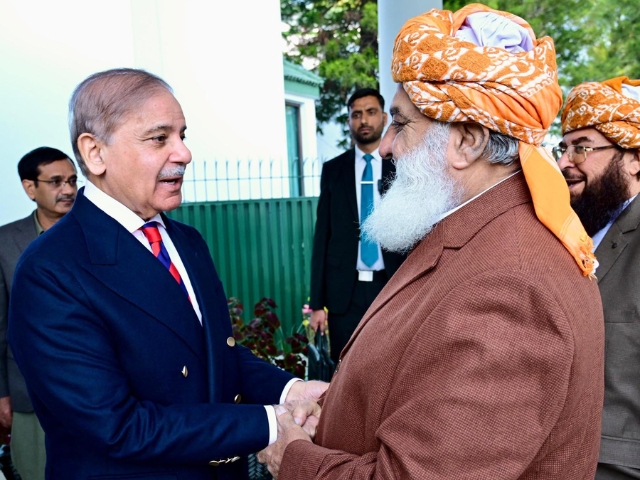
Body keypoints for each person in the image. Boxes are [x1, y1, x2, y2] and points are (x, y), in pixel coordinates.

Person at [258, 5, 605, 479]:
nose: (385, 146)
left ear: (467, 140)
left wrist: (294, 459)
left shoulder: (513, 287)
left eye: (400, 124)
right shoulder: (479, 234)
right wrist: (338, 410)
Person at [7, 68, 326, 480]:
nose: (184, 153)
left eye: (182, 135)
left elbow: (210, 354)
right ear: (95, 153)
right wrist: (271, 422)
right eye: (159, 138)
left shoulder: (187, 241)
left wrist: (292, 390)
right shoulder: (50, 270)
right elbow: (116, 427)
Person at [559, 76, 640, 480]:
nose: (564, 162)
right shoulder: (571, 231)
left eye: (583, 147)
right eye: (564, 147)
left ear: (634, 158)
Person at [309, 88, 405, 364]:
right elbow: (322, 237)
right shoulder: (333, 170)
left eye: (371, 112)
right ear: (349, 120)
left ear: (385, 117)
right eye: (356, 114)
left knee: (390, 364)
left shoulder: (401, 166)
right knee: (346, 369)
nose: (364, 120)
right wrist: (317, 305)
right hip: (344, 297)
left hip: (390, 285)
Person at [0, 146, 77, 480]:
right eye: (56, 181)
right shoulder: (5, 243)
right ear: (30, 187)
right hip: (29, 392)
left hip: (98, 388)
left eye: (73, 181)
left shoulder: (96, 234)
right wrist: (1, 392)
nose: (69, 190)